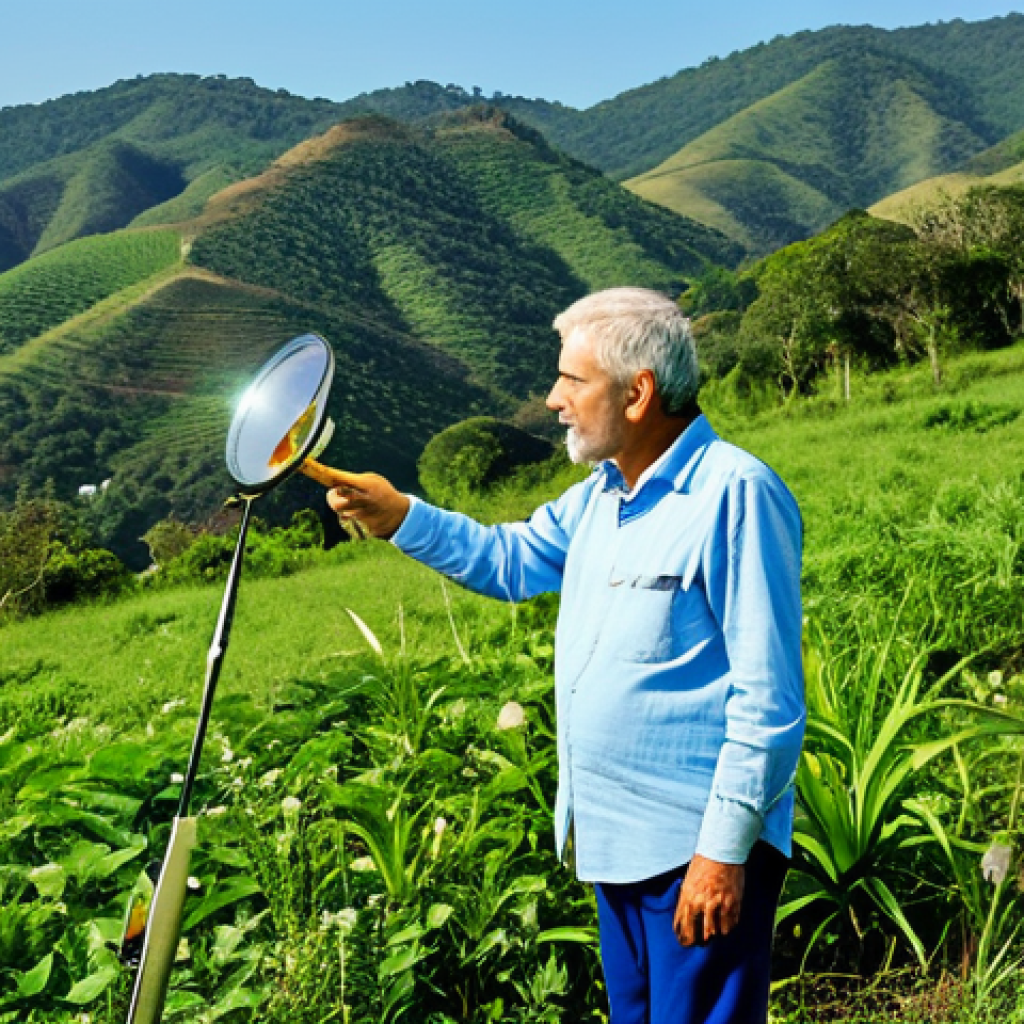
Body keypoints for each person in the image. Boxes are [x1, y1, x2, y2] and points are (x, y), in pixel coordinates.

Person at [302, 287, 805, 1023]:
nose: (552, 399)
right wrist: (399, 514)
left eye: (574, 381)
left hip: (694, 856)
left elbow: (770, 702)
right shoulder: (603, 495)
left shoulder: (734, 495)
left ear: (638, 394)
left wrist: (723, 854)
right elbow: (509, 560)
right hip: (616, 847)